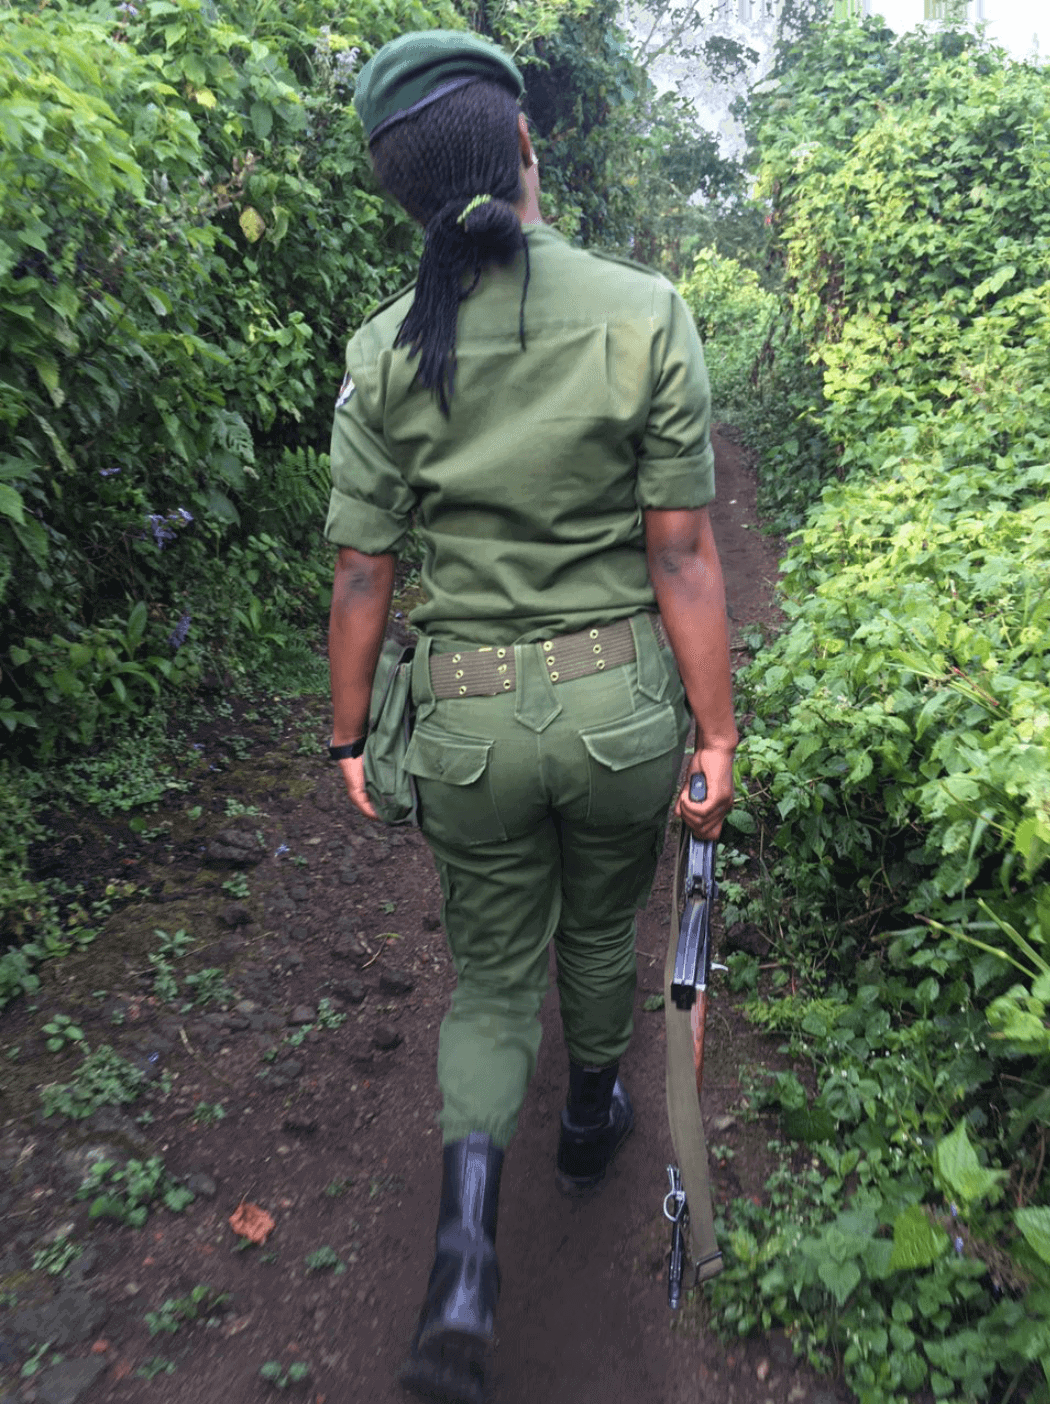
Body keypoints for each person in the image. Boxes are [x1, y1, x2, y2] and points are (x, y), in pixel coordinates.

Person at [324, 29, 737, 1404]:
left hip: (467, 727)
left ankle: (459, 1260)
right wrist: (714, 731)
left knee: (491, 976)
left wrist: (344, 738)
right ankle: (585, 1122)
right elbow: (681, 551)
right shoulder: (641, 309)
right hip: (621, 714)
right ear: (525, 153)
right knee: (603, 928)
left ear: (399, 193)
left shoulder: (385, 352)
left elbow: (362, 571)